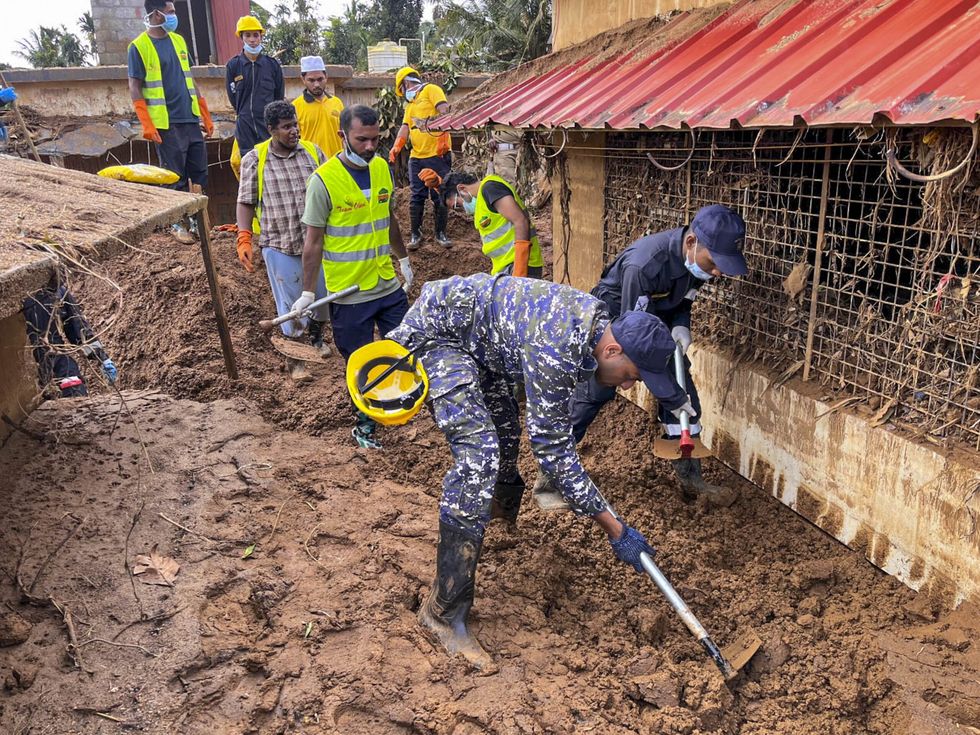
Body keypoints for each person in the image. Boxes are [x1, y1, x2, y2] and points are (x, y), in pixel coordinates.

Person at [386, 273, 689, 669]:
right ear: (613, 349)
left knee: (506, 431)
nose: (629, 386)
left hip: (483, 343)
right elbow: (553, 451)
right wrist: (617, 530)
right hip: (439, 335)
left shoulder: (593, 328)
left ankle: (494, 522)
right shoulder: (559, 345)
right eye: (632, 375)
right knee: (479, 455)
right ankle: (443, 613)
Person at [547, 204, 747, 505]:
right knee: (594, 394)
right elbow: (632, 335)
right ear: (692, 243)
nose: (717, 271)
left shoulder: (695, 264)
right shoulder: (645, 265)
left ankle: (691, 479)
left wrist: (680, 326)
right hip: (616, 325)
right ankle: (550, 473)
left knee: (684, 396)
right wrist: (668, 390)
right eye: (714, 262)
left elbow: (682, 302)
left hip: (654, 327)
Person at [297, 104, 415, 449]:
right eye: (361, 139)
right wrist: (307, 292)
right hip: (349, 293)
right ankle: (364, 426)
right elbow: (313, 241)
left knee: (403, 349)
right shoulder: (322, 182)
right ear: (342, 136)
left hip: (386, 283)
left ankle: (399, 405)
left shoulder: (381, 168)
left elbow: (388, 217)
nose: (369, 147)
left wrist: (403, 257)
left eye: (375, 139)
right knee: (360, 362)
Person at [236, 101, 330, 383]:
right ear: (271, 130)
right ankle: (295, 362)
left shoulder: (313, 153)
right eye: (287, 127)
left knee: (322, 298)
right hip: (279, 244)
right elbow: (246, 201)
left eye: (296, 125)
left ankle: (316, 338)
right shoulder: (256, 159)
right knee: (292, 308)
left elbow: (331, 188)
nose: (294, 131)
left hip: (316, 242)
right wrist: (244, 236)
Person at [128, 0, 215, 244]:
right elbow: (134, 87)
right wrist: (146, 121)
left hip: (189, 118)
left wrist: (204, 111)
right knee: (173, 175)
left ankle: (199, 223)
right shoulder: (139, 47)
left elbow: (190, 78)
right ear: (156, 14)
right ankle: (176, 225)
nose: (175, 16)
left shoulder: (178, 41)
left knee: (198, 172)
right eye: (171, 11)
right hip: (166, 123)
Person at [433, 170, 545, 278]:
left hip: (521, 266)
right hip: (506, 269)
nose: (464, 210)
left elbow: (520, 220)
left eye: (458, 205)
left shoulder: (490, 188)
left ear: (462, 188)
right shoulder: (482, 204)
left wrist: (519, 272)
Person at [388, 67, 452, 250]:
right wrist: (396, 147)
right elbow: (405, 127)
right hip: (417, 158)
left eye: (402, 89)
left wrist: (437, 130)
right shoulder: (411, 105)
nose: (403, 94)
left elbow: (444, 111)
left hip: (437, 156)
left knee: (440, 194)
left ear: (407, 82)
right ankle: (416, 235)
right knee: (416, 197)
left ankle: (441, 233)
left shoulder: (431, 90)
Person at [23, 280, 118, 398]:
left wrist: (102, 358)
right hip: (41, 368)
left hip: (55, 365)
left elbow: (79, 331)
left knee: (70, 380)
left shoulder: (59, 291)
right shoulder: (30, 299)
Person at [225, 15, 284, 159]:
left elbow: (278, 96)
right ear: (241, 37)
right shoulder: (233, 65)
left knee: (271, 162)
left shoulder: (272, 65)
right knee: (249, 163)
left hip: (267, 126)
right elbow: (233, 97)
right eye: (248, 35)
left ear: (261, 37)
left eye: (256, 35)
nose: (252, 40)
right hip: (245, 127)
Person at [292, 56, 344, 160]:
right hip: (311, 164)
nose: (316, 84)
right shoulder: (295, 107)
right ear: (303, 80)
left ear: (326, 77)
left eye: (320, 79)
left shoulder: (337, 103)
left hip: (337, 163)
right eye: (311, 80)